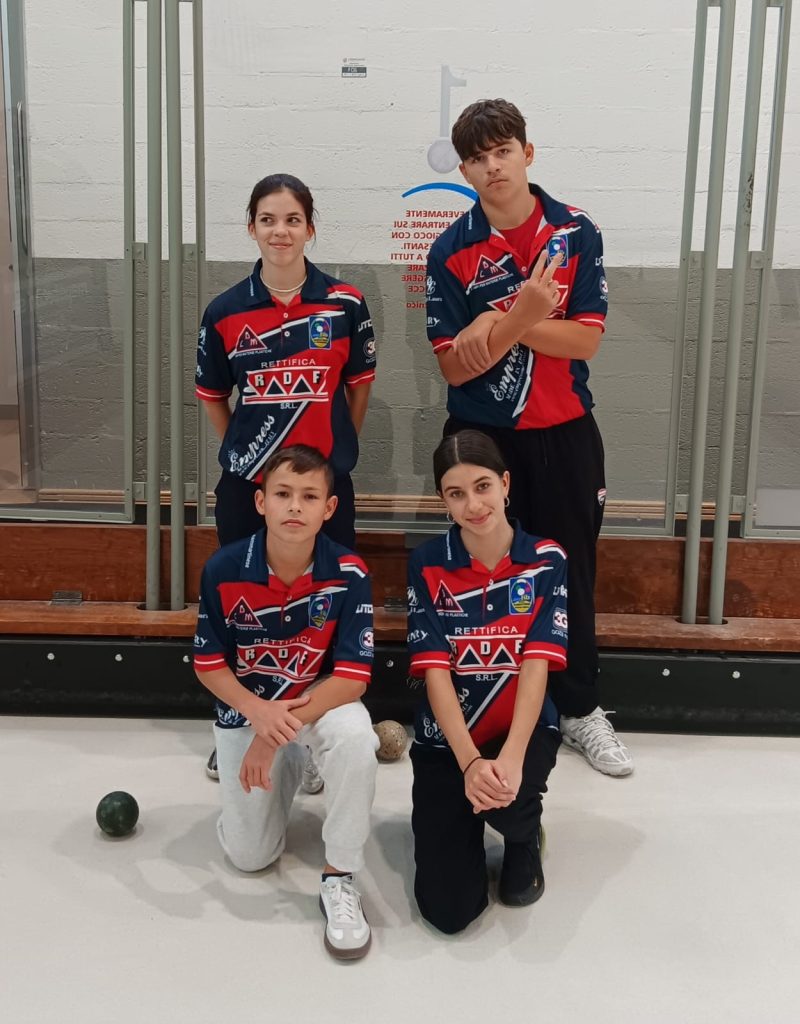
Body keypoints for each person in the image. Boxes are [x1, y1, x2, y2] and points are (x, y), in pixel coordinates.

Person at [424, 98, 632, 777]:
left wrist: (497, 322)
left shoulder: (575, 232)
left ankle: (580, 709)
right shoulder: (450, 251)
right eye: (478, 158)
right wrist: (526, 313)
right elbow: (455, 365)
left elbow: (585, 341)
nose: (493, 167)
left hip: (565, 433)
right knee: (485, 571)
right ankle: (489, 705)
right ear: (464, 171)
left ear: (527, 153)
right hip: (483, 439)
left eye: (503, 151)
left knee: (569, 571)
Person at [196, 173, 376, 783]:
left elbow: (358, 388)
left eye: (292, 219)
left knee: (319, 609)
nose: (281, 231)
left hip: (324, 486)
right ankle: (238, 725)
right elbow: (214, 395)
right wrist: (248, 456)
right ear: (251, 228)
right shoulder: (225, 311)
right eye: (268, 219)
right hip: (248, 488)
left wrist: (332, 458)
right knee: (245, 610)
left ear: (310, 228)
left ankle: (309, 734)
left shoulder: (345, 304)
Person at [193, 444, 379, 961]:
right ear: (261, 503)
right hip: (248, 709)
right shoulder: (223, 568)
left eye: (309, 496)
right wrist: (259, 717)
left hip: (317, 703)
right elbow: (208, 664)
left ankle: (340, 876)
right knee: (250, 858)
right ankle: (290, 763)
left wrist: (271, 736)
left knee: (356, 739)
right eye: (282, 494)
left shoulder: (350, 572)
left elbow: (353, 679)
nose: (295, 506)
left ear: (329, 508)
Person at [407, 430, 567, 933]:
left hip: (517, 733)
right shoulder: (427, 563)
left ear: (505, 484)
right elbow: (435, 671)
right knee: (449, 912)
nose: (473, 505)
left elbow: (536, 665)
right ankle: (465, 815)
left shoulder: (547, 559)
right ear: (443, 501)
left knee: (510, 802)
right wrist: (470, 763)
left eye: (482, 487)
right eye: (456, 493)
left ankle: (523, 834)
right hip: (448, 742)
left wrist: (510, 760)